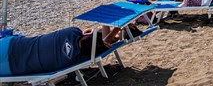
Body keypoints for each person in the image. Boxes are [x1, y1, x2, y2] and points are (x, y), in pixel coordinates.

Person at [0, 25, 130, 76]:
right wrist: (114, 32)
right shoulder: (81, 58)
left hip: (12, 45)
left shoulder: (72, 32)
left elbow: (101, 42)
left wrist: (112, 29)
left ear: (85, 37)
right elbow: (103, 45)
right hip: (13, 69)